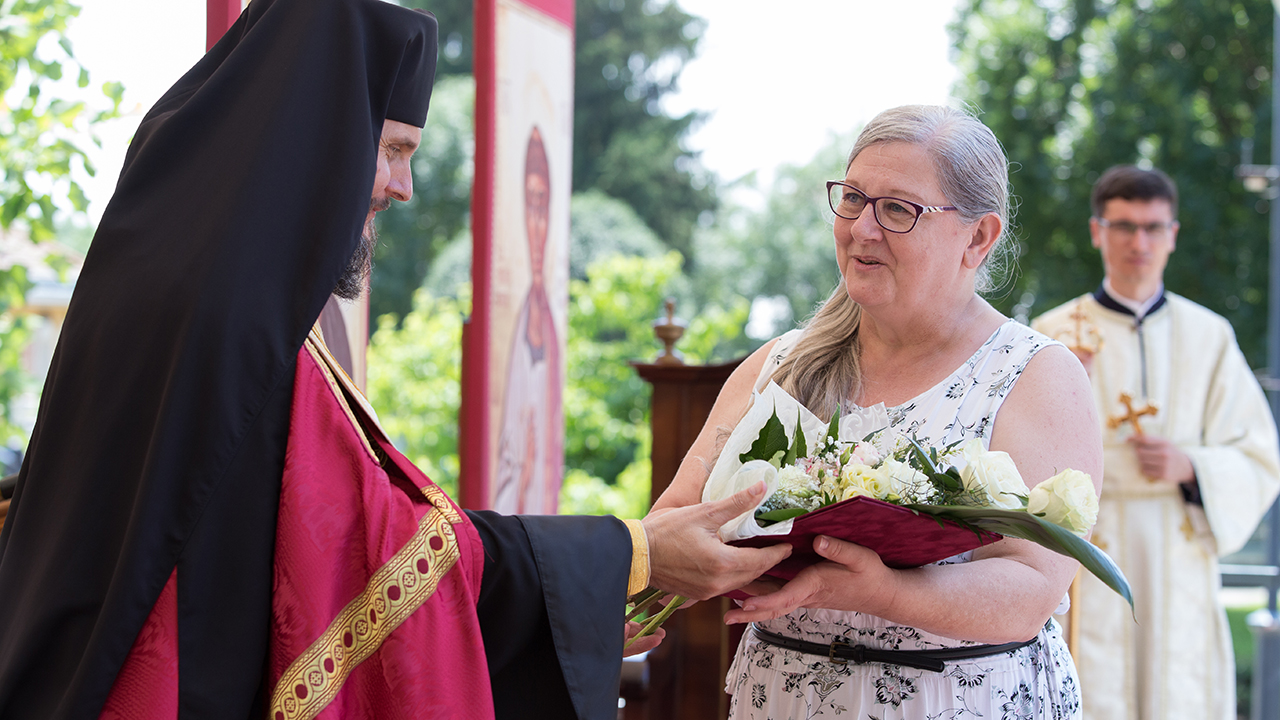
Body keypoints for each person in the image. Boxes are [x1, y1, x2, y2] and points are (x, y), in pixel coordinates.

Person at [0, 1, 791, 718]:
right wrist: (635, 553)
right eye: (392, 150)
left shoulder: (166, 280)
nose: (402, 187)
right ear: (322, 142)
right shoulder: (242, 331)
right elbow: (383, 551)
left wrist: (579, 599)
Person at [651, 105, 1101, 719]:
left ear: (978, 237)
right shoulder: (780, 364)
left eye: (897, 209)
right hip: (787, 694)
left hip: (954, 699)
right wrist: (711, 566)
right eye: (854, 198)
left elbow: (1029, 586)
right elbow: (676, 518)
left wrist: (885, 591)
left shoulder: (1034, 375)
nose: (862, 228)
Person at [1032, 165, 1280, 720]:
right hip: (1087, 549)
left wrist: (1191, 465)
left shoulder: (1210, 336)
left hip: (1176, 548)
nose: (1137, 242)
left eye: (1152, 227)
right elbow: (1012, 458)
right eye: (1122, 226)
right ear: (1097, 231)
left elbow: (1260, 454)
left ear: (1173, 234)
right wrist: (1068, 388)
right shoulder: (1051, 334)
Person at [493, 126, 562, 513]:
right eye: (529, 205)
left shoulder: (547, 321)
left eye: (543, 206)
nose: (537, 223)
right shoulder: (514, 322)